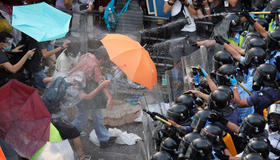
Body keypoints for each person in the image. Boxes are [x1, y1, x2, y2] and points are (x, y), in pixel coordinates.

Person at [69, 47, 114, 148]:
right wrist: (109, 97)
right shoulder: (95, 65)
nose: (104, 63)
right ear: (102, 59)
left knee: (97, 114)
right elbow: (101, 82)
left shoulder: (87, 55)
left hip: (78, 87)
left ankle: (104, 139)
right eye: (105, 61)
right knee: (82, 118)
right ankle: (67, 137)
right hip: (80, 92)